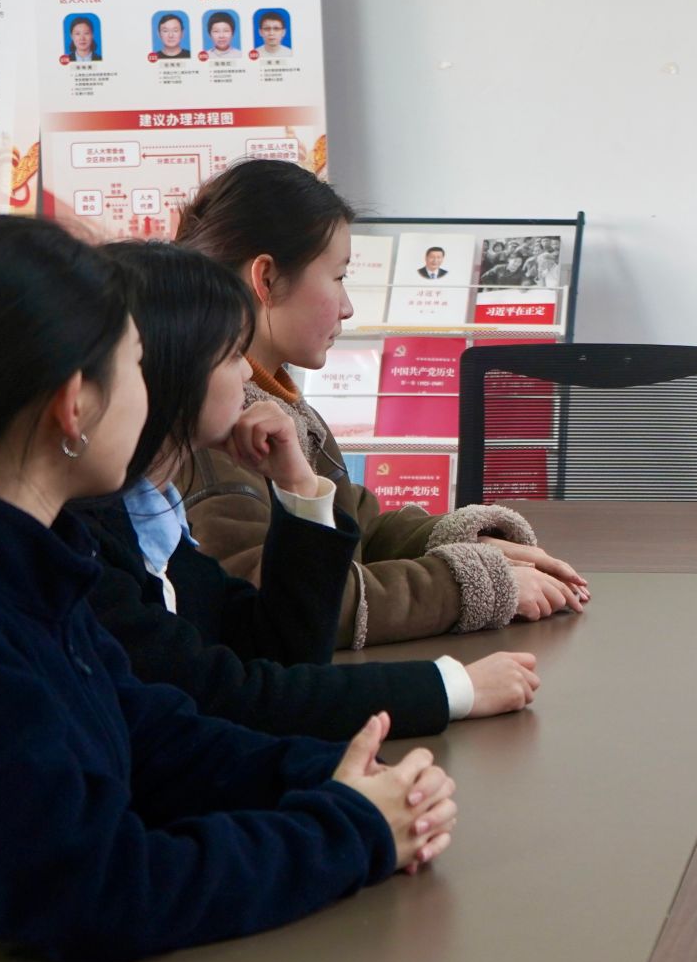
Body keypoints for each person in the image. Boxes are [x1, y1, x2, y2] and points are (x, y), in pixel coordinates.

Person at [0, 215, 455, 962]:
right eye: (136, 365)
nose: (152, 390)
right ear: (74, 405)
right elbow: (100, 887)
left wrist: (338, 774)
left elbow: (153, 734)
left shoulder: (33, 558)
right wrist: (349, 827)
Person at [78, 241, 539, 739]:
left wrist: (298, 486)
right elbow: (232, 698)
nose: (245, 371)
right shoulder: (96, 545)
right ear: (171, 372)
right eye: (231, 355)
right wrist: (450, 687)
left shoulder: (156, 520)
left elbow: (281, 647)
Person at [173, 159, 589, 644]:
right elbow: (291, 603)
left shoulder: (278, 404)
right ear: (265, 279)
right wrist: (469, 586)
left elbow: (353, 525)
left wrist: (469, 541)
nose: (348, 306)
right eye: (338, 277)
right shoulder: (217, 427)